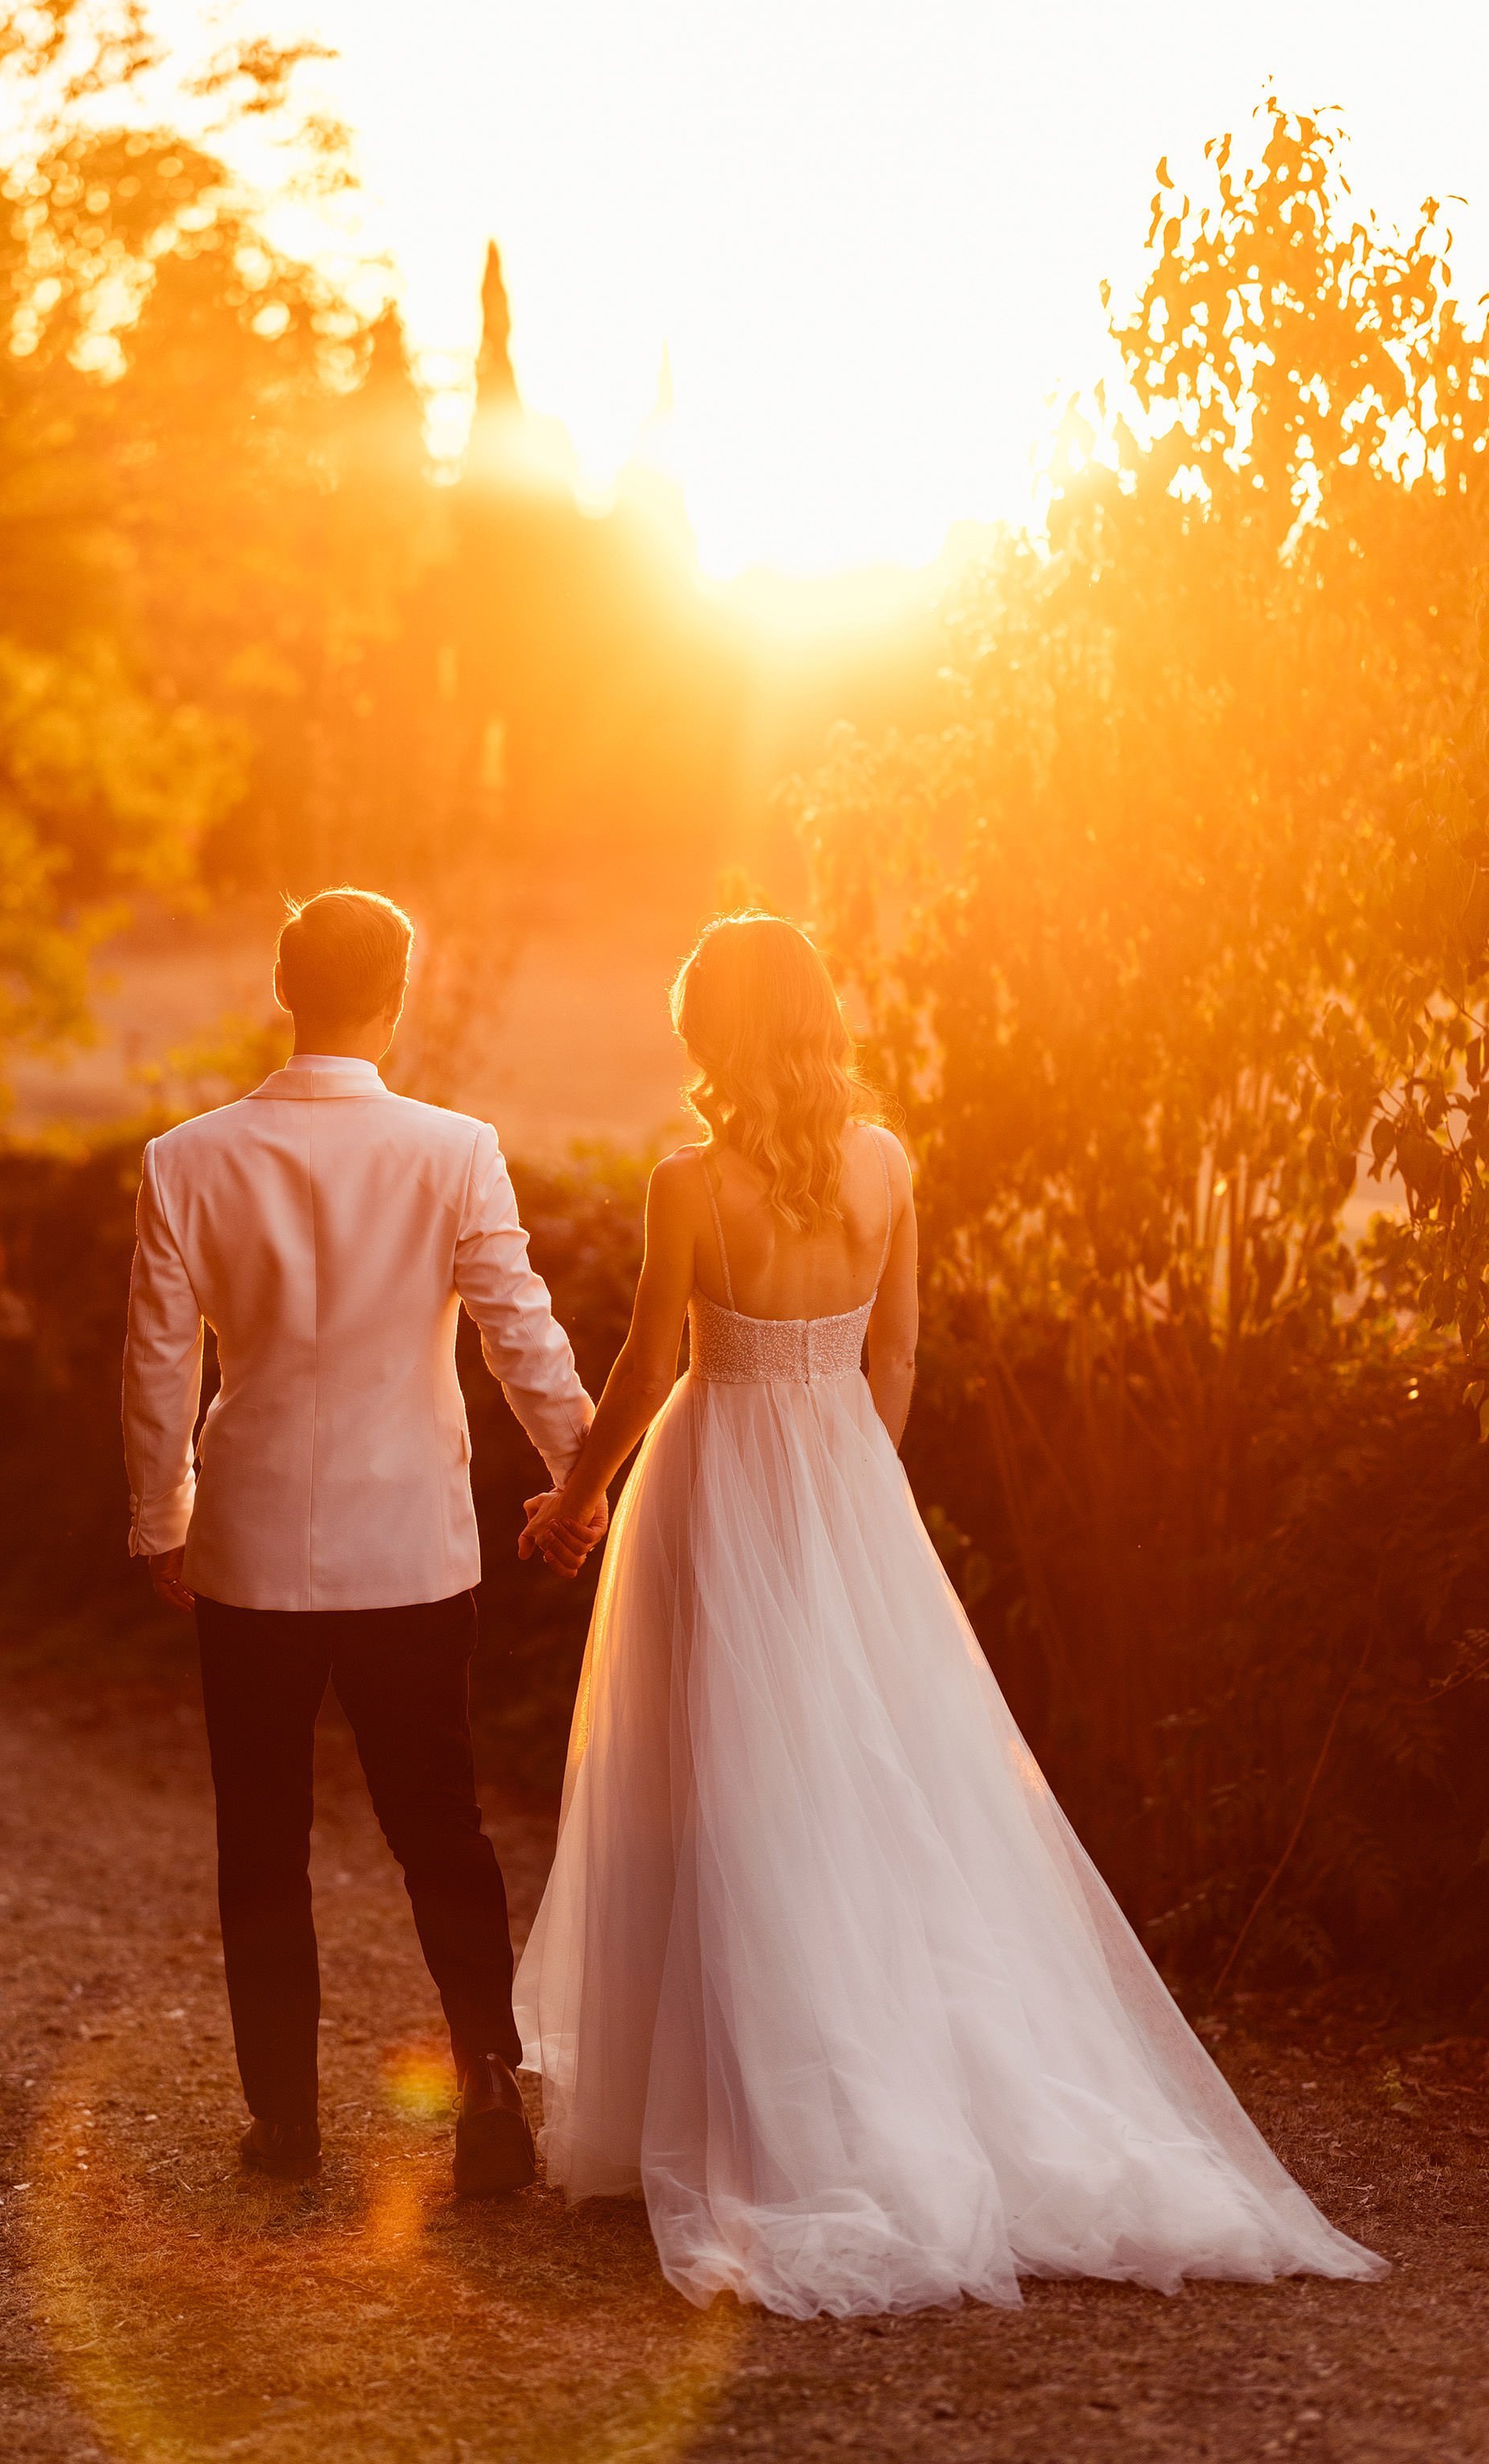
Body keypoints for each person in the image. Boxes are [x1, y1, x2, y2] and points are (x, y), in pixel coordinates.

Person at [514, 912, 1385, 2318]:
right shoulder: (885, 1163)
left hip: (717, 1471)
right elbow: (900, 1347)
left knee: (716, 1785)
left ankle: (761, 2123)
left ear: (714, 1032)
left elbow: (644, 1356)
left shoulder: (689, 1182)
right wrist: (854, 1486)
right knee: (866, 1788)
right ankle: (866, 2088)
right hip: (848, 1475)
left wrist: (573, 1497)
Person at [121, 888, 603, 2194]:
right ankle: (487, 2089)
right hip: (413, 1553)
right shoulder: (456, 1148)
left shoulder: (187, 1157)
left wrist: (159, 1518)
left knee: (261, 1841)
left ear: (285, 986)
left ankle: (287, 2123)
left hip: (252, 1546)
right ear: (399, 996)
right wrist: (581, 1478)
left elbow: (160, 1367)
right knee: (441, 1830)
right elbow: (521, 1331)